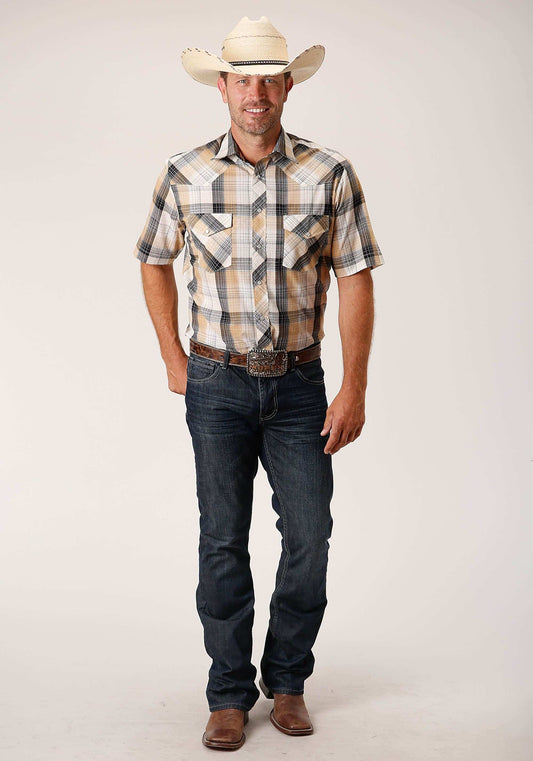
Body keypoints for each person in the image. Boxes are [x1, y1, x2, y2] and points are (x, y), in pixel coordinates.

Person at [133, 15, 384, 751]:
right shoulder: (185, 173)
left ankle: (289, 681)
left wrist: (353, 388)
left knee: (309, 536)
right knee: (221, 539)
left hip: (300, 385)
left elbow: (356, 279)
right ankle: (227, 694)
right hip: (215, 383)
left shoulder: (328, 172)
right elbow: (152, 259)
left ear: (288, 86)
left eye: (269, 80)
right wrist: (173, 359)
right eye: (243, 81)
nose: (256, 94)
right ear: (222, 87)